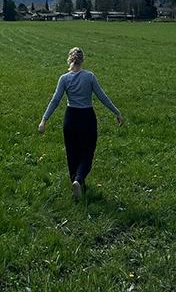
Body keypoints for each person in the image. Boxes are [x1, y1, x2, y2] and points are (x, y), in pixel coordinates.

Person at [38, 47, 124, 201]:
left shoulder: (64, 79)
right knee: (87, 151)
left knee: (72, 153)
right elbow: (102, 97)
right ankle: (79, 179)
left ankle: (76, 185)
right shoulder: (89, 77)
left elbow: (55, 100)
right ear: (82, 60)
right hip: (87, 118)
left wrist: (44, 120)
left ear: (69, 60)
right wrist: (116, 112)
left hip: (70, 119)